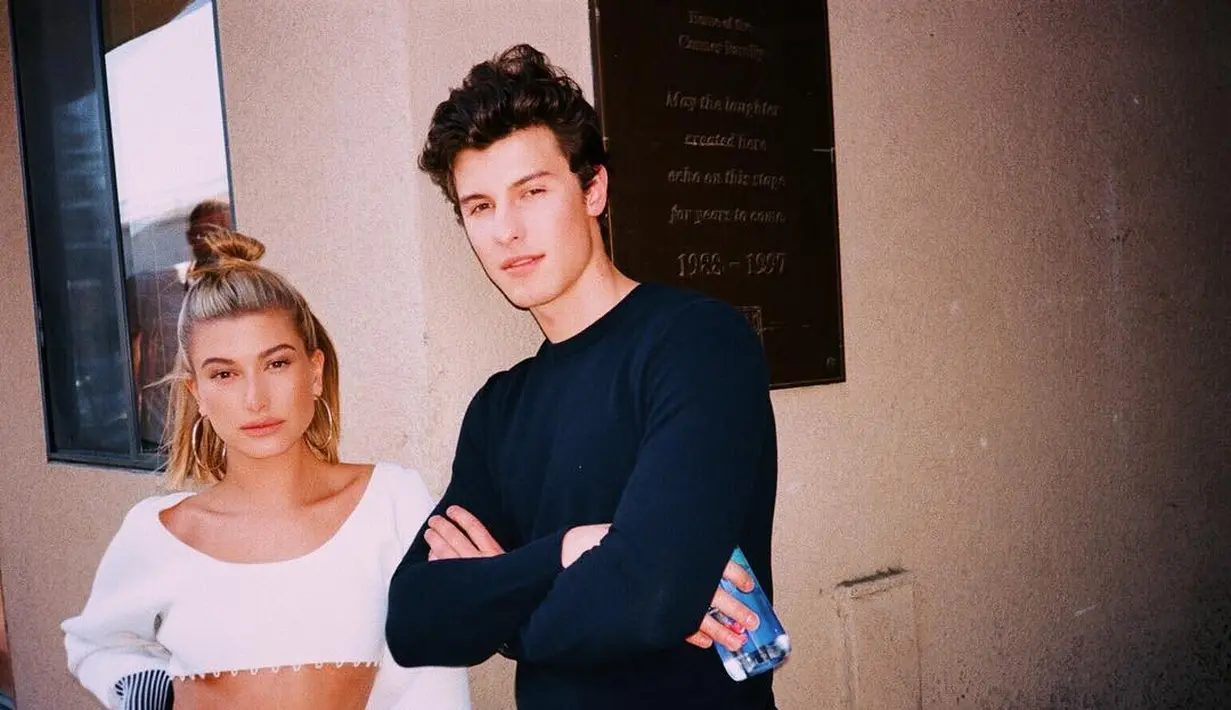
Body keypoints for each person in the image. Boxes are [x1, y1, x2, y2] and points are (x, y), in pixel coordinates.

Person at [386, 45, 780, 710]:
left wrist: (499, 599)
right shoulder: (499, 407)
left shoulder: (695, 344)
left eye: (532, 192)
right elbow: (414, 620)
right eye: (479, 207)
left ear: (592, 187)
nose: (506, 230)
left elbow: (647, 596)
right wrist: (564, 554)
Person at [64, 230, 471, 710]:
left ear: (314, 373)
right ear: (198, 395)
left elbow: (435, 675)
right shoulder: (159, 532)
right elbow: (95, 646)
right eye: (224, 373)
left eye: (276, 363)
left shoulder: (393, 501)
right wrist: (149, 695)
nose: (255, 399)